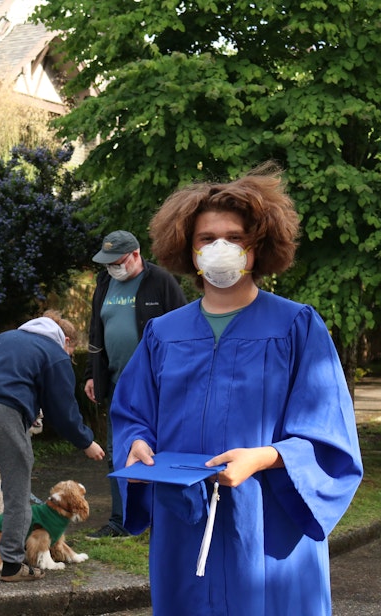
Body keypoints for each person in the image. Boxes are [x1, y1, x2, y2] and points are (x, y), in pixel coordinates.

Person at [111, 165, 363, 615]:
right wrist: (135, 445)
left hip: (268, 521)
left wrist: (265, 457)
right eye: (207, 238)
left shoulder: (296, 326)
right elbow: (132, 414)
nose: (220, 247)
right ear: (189, 249)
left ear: (257, 246)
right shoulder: (162, 335)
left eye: (235, 237)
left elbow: (329, 432)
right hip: (184, 520)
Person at [0, 310, 105, 582]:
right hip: (3, 412)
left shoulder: (3, 338)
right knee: (16, 490)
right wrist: (86, 441)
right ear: (66, 340)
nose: (69, 358)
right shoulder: (54, 352)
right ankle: (12, 565)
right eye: (71, 353)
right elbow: (63, 410)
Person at [84, 230, 186, 539]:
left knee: (160, 447)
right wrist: (92, 372)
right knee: (119, 448)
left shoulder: (161, 281)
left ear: (136, 255)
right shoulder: (104, 285)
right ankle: (121, 521)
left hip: (159, 384)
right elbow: (95, 331)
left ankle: (163, 517)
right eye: (107, 263)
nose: (112, 268)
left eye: (117, 262)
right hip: (118, 383)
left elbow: (183, 328)